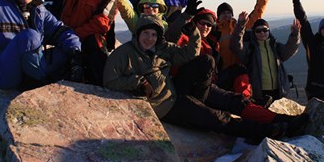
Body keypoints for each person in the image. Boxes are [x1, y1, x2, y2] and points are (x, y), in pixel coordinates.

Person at [103, 15, 303, 141]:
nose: (149, 38)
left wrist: (195, 34)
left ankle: (285, 120)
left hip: (184, 89)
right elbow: (110, 81)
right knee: (218, 118)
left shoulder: (160, 48)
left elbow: (189, 55)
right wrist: (138, 83)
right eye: (145, 33)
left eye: (153, 35)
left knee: (234, 98)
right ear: (137, 34)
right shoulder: (123, 54)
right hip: (168, 104)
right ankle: (268, 131)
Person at [169, 7, 307, 128]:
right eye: (202, 23)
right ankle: (272, 124)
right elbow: (172, 37)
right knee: (228, 110)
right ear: (194, 23)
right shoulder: (185, 38)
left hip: (209, 83)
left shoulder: (211, 41)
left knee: (238, 80)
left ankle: (278, 118)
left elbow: (288, 49)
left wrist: (295, 34)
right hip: (190, 87)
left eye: (209, 25)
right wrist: (185, 17)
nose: (206, 27)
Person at [211, 0, 270, 97]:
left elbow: (257, 13)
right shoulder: (214, 31)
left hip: (241, 70)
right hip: (223, 73)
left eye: (229, 12)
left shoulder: (241, 24)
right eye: (223, 13)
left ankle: (247, 104)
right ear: (218, 16)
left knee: (243, 93)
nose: (226, 15)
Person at [230, 14, 301, 104]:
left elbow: (290, 50)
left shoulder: (275, 46)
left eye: (265, 30)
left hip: (278, 91)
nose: (262, 33)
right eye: (258, 31)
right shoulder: (250, 48)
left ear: (268, 31)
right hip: (258, 93)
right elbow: (235, 45)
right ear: (254, 32)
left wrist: (295, 35)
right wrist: (240, 25)